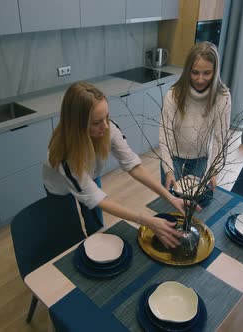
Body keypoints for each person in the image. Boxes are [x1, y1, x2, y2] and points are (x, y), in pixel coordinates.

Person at [42, 82, 186, 248]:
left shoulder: (108, 128)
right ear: (77, 125)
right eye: (97, 122)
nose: (105, 126)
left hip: (89, 175)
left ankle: (96, 246)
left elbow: (133, 165)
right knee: (69, 232)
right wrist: (147, 220)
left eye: (106, 117)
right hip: (60, 187)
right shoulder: (64, 157)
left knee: (95, 224)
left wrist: (171, 198)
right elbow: (96, 198)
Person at [159, 42, 232, 193]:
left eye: (207, 73)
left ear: (215, 71)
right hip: (173, 157)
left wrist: (214, 171)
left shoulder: (222, 97)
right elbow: (165, 136)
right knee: (171, 201)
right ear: (187, 71)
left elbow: (220, 139)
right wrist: (168, 170)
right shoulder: (173, 95)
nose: (200, 79)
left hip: (200, 157)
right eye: (195, 72)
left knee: (194, 202)